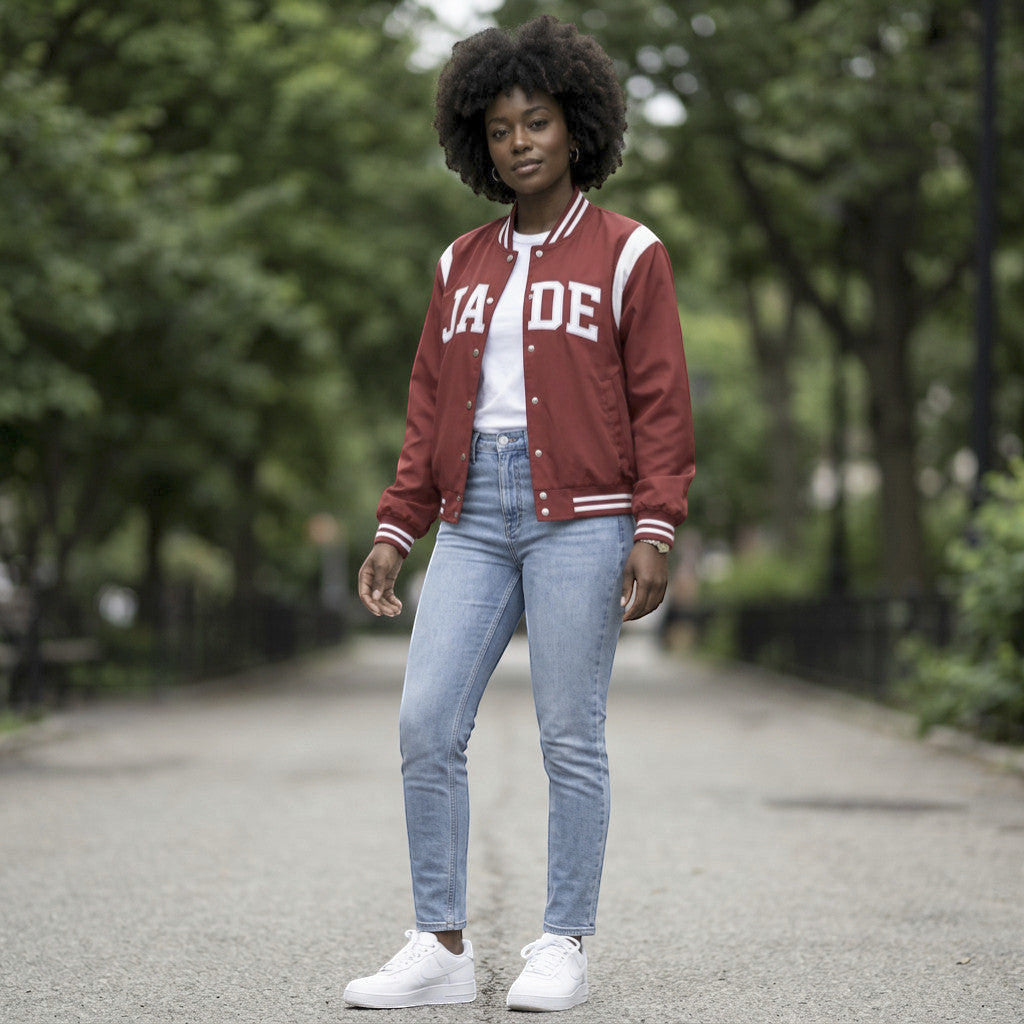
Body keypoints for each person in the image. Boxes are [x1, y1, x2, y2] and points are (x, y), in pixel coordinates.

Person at [344, 15, 694, 1013]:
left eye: (537, 121)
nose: (520, 142)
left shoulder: (630, 256)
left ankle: (561, 941)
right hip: (472, 515)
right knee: (424, 722)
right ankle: (441, 943)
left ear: (576, 127)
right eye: (499, 129)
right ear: (477, 142)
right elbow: (426, 408)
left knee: (569, 737)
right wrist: (394, 526)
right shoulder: (459, 265)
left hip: (584, 515)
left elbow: (661, 402)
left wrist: (655, 524)